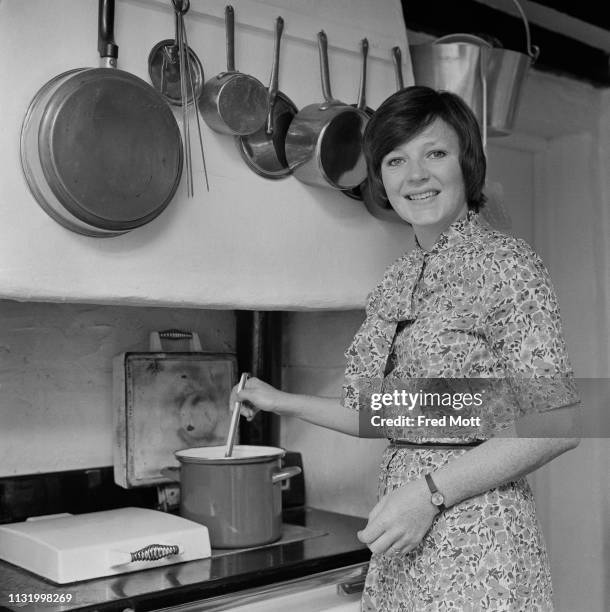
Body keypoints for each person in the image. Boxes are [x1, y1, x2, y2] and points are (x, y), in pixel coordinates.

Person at [232, 86, 580, 611]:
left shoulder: (505, 263)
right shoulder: (396, 280)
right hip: (403, 544)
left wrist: (429, 493)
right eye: (396, 159)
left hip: (478, 546)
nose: (415, 175)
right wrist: (279, 399)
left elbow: (556, 419)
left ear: (467, 165)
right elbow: (386, 414)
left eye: (434, 153)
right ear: (381, 179)